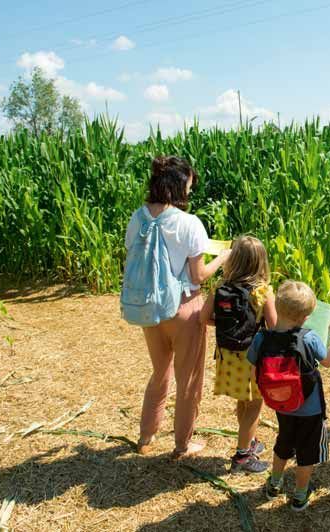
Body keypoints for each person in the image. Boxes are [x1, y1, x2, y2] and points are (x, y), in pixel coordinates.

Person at [126, 156, 229, 460]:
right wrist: (223, 257)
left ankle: (146, 437)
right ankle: (183, 444)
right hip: (184, 307)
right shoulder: (189, 223)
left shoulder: (138, 218)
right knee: (189, 381)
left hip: (150, 307)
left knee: (160, 372)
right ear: (178, 185)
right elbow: (198, 276)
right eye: (189, 185)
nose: (190, 191)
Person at [248, 281, 330, 511]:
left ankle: (274, 484)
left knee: (283, 443)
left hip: (281, 404)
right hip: (310, 409)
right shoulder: (309, 338)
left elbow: (254, 373)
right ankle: (300, 495)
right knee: (306, 453)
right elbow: (328, 361)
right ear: (305, 317)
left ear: (277, 307)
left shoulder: (261, 339)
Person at [198, 236, 277, 474]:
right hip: (252, 359)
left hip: (227, 357)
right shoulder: (262, 291)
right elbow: (274, 327)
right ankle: (243, 456)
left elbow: (203, 318)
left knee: (243, 401)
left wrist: (225, 326)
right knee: (254, 406)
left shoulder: (220, 287)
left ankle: (249, 441)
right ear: (260, 262)